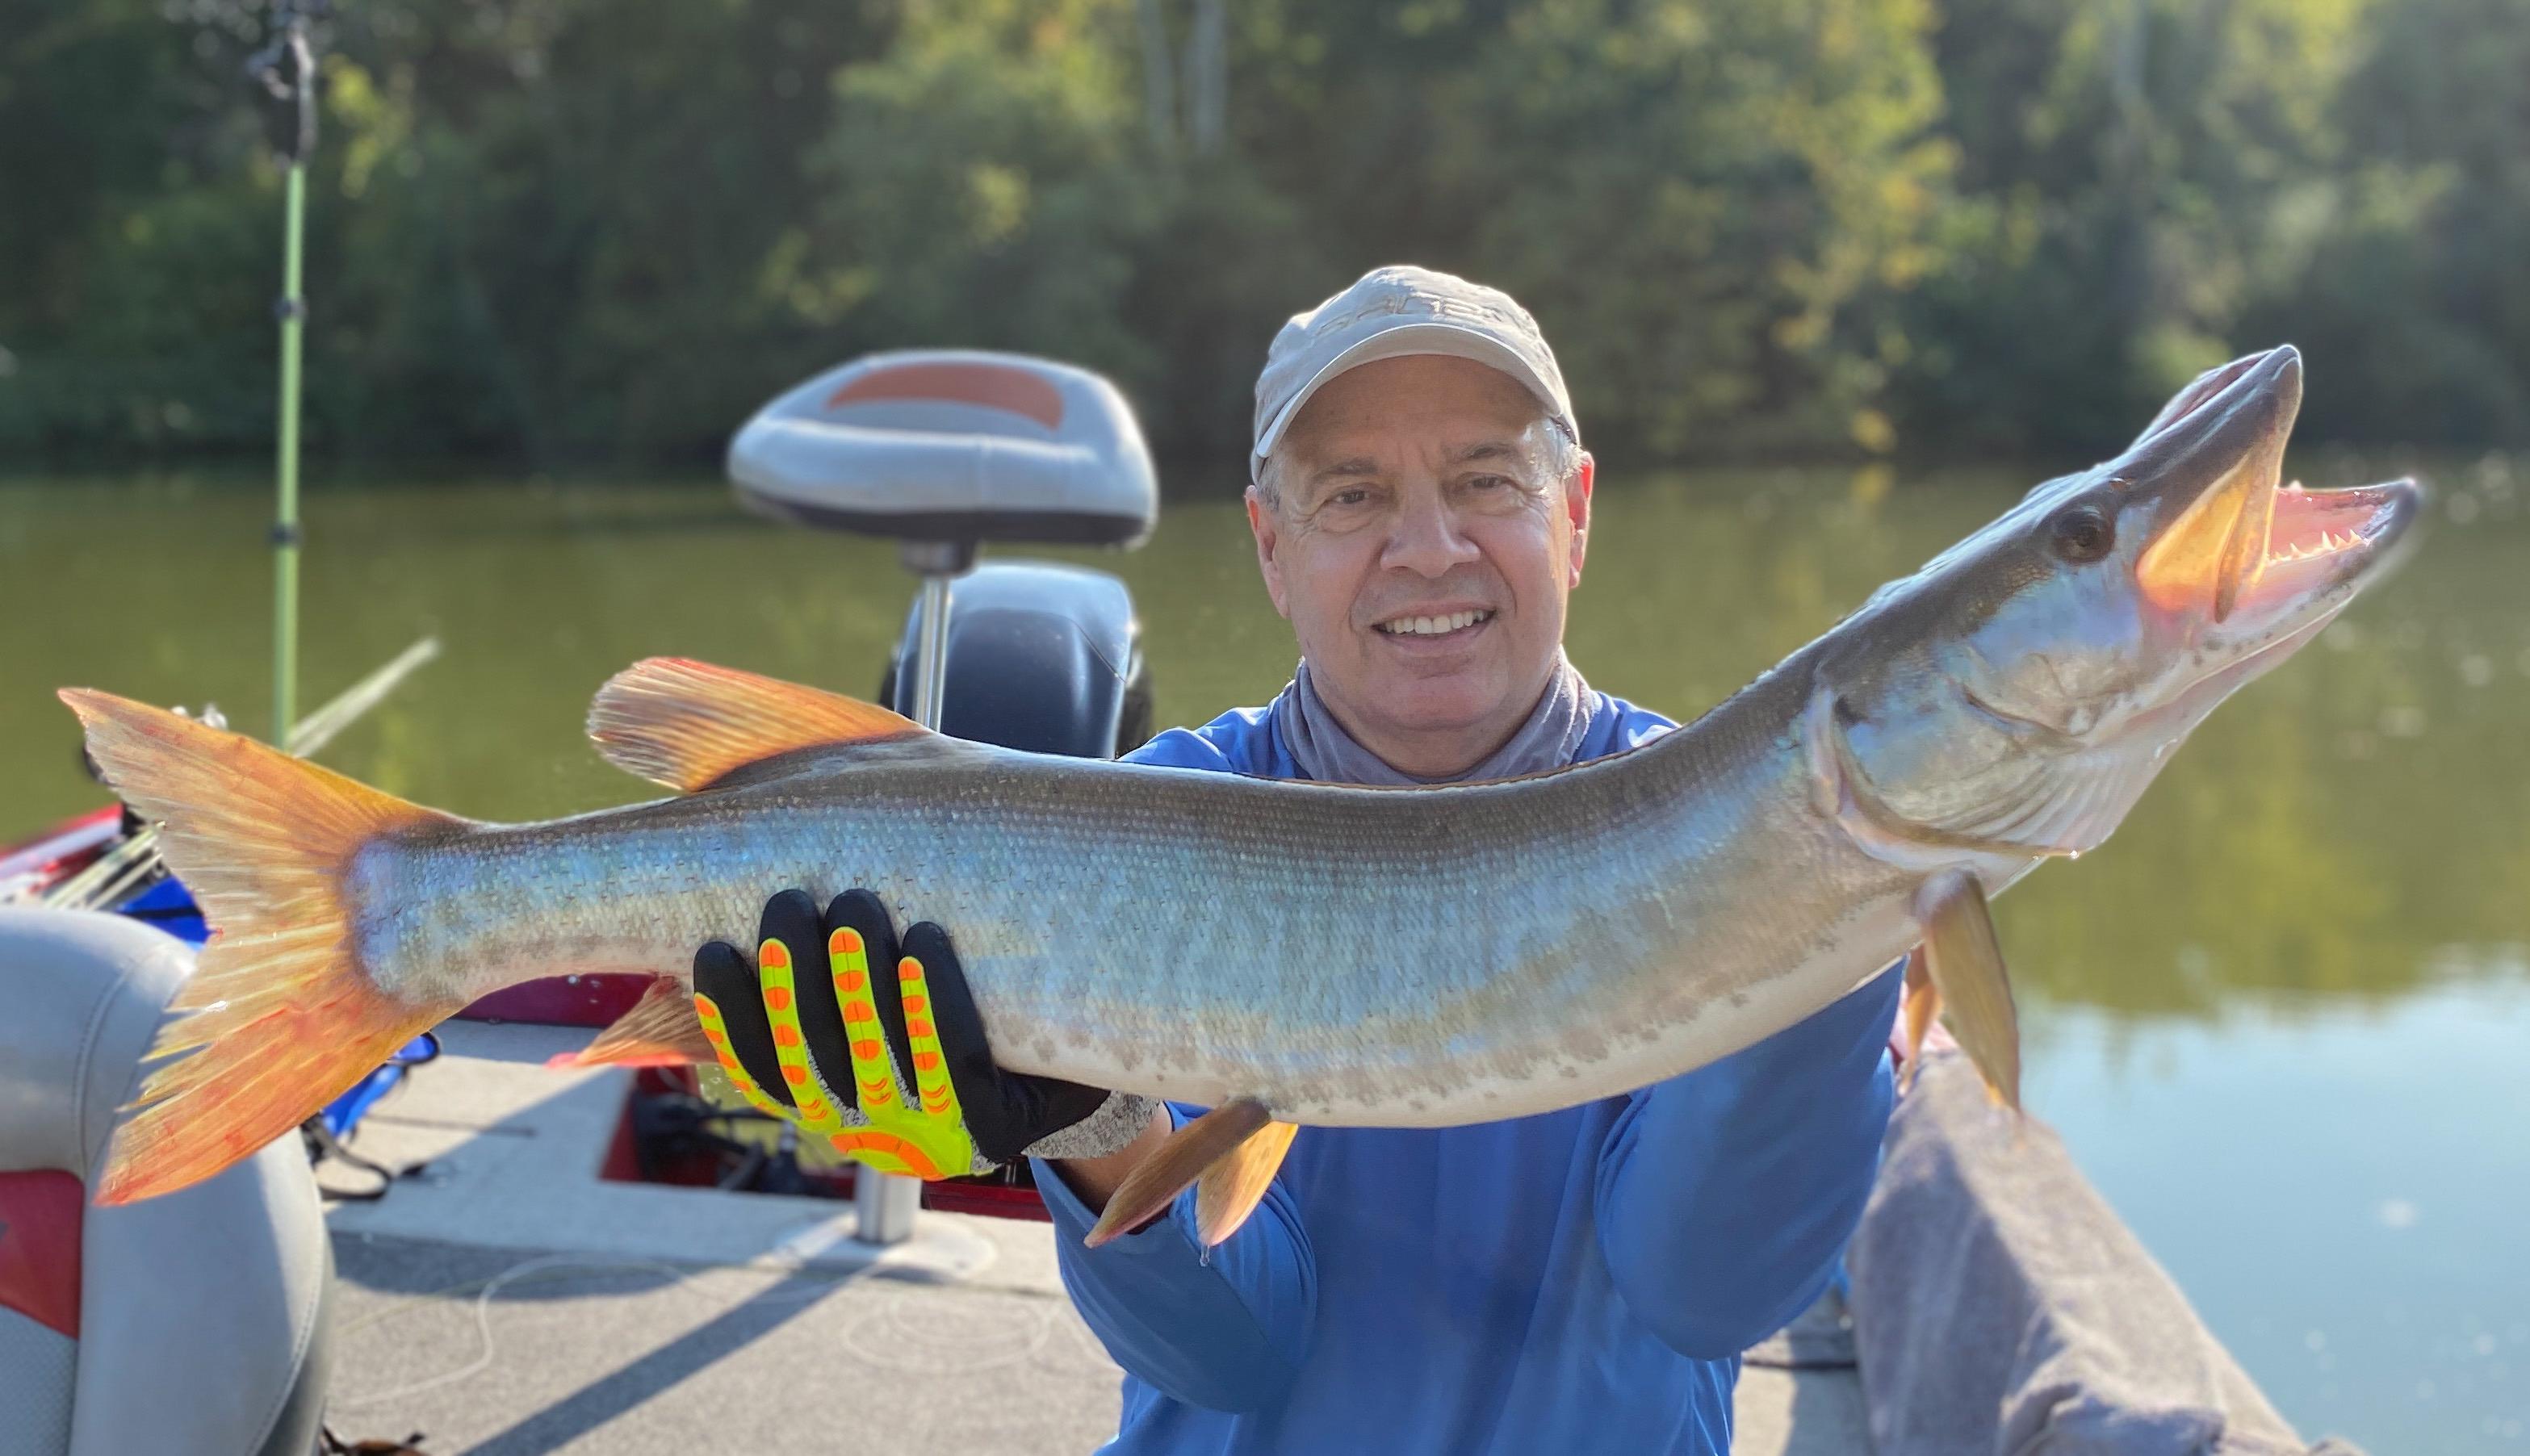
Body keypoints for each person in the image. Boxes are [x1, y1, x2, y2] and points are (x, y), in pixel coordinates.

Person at [693, 266, 1904, 1453]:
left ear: (1574, 513)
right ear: (1270, 547)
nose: (1428, 549)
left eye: (1486, 479)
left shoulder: (1725, 822)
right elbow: (1227, 1356)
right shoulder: (1155, 810)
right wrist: (1088, 1121)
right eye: (1351, 495)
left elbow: (1710, 1293)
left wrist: (1834, 909)